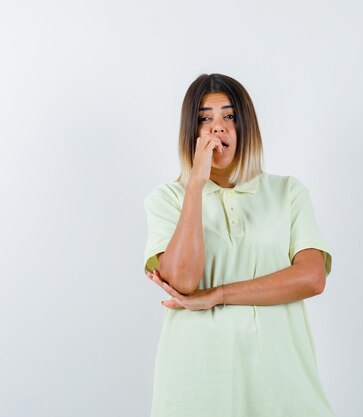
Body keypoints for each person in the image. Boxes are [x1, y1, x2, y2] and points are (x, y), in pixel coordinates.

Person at [142, 73, 336, 417]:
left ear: (246, 127)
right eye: (205, 118)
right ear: (191, 130)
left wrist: (218, 294)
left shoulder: (288, 192)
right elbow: (183, 282)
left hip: (281, 385)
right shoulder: (167, 199)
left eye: (229, 116)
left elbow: (311, 278)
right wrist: (195, 187)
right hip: (197, 387)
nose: (218, 127)